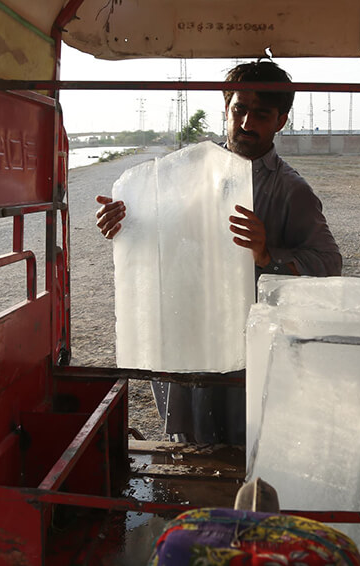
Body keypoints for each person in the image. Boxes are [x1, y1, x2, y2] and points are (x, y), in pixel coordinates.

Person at [95, 60, 342, 444]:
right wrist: (125, 224)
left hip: (254, 342)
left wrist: (266, 255)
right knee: (189, 438)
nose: (246, 123)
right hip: (192, 326)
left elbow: (329, 264)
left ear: (280, 121)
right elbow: (170, 236)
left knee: (245, 441)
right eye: (239, 109)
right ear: (225, 109)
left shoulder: (292, 191)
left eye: (260, 114)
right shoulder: (188, 174)